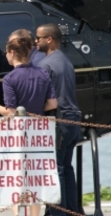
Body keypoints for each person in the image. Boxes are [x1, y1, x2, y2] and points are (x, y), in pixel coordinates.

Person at [0, 35, 57, 216]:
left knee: (16, 179)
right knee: (36, 180)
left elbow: (11, 113)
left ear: (12, 53)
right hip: (39, 134)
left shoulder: (10, 78)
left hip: (17, 136)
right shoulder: (42, 73)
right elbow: (53, 104)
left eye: (6, 52)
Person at [35, 23, 82, 216]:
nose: (35, 42)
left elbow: (45, 100)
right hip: (74, 119)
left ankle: (57, 212)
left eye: (38, 38)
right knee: (67, 168)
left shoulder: (45, 65)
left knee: (56, 170)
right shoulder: (65, 60)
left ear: (49, 39)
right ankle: (72, 209)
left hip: (60, 120)